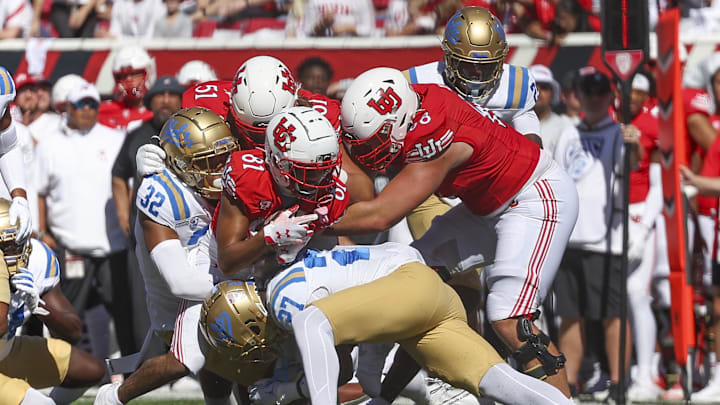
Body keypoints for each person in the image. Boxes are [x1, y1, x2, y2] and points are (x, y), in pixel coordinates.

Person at [330, 66, 578, 397]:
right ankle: (383, 396)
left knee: (509, 318)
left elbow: (380, 215)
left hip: (534, 197)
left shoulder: (436, 135)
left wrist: (309, 218)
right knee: (407, 276)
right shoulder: (412, 98)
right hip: (488, 207)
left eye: (378, 138)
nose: (370, 150)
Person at [248, 242, 575, 405]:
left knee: (310, 322)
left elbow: (322, 343)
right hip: (429, 298)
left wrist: (284, 390)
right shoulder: (303, 278)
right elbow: (349, 371)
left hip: (410, 285)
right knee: (495, 380)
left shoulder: (283, 297)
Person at [95, 106, 241, 405]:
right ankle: (112, 397)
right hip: (178, 298)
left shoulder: (228, 176)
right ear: (179, 162)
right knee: (188, 359)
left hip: (216, 273)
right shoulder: (162, 193)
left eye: (223, 158)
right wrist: (251, 285)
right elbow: (180, 282)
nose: (220, 170)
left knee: (233, 360)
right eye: (208, 162)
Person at [551, 68, 641, 401]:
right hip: (570, 238)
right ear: (578, 96)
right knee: (570, 314)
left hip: (606, 239)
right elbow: (559, 177)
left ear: (609, 98)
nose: (593, 99)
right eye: (587, 92)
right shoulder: (568, 134)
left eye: (600, 93)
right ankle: (569, 383)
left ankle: (619, 381)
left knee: (611, 313)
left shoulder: (620, 133)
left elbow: (630, 166)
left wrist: (634, 147)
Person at [34, 82, 132, 361]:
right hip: (70, 244)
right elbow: (38, 192)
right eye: (81, 104)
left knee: (122, 311)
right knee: (67, 314)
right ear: (67, 107)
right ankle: (63, 368)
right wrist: (44, 233)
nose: (87, 110)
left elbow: (127, 184)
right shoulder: (50, 144)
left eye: (92, 104)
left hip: (112, 243)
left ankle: (126, 370)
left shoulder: (115, 138)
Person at [0, 198, 106, 405]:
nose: (11, 252)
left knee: (90, 370)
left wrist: (38, 306)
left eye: (15, 242)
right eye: (4, 245)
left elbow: (72, 332)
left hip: (7, 351)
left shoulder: (38, 260)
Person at [111, 75, 185, 350]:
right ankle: (152, 361)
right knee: (145, 299)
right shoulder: (136, 134)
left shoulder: (191, 133)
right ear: (150, 101)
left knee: (183, 291)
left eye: (172, 94)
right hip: (145, 230)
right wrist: (122, 214)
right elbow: (118, 175)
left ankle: (183, 359)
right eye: (159, 95)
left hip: (185, 229)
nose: (165, 101)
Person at [98, 45, 155, 132]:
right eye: (122, 76)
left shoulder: (159, 113)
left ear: (148, 74)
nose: (129, 80)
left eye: (135, 74)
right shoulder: (103, 111)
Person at [530, 64, 575, 156]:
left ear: (553, 94)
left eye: (544, 87)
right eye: (533, 86)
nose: (538, 91)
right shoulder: (509, 125)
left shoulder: (565, 127)